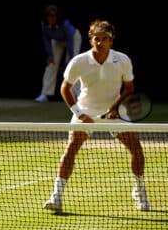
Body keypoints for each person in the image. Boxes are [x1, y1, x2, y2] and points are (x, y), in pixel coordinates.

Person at [43, 20, 149, 213]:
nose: (100, 43)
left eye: (104, 39)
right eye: (96, 39)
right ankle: (56, 196)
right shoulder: (79, 61)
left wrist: (115, 107)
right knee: (71, 148)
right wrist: (79, 113)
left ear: (111, 40)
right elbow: (65, 88)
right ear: (91, 40)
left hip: (115, 111)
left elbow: (130, 88)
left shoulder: (123, 60)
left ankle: (140, 192)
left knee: (137, 150)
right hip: (86, 110)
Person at [35, 4, 82, 102]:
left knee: (73, 66)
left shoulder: (65, 25)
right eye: (49, 15)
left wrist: (70, 59)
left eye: (53, 16)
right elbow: (46, 40)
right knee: (51, 65)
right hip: (57, 40)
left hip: (73, 38)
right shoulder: (44, 25)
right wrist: (50, 56)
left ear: (57, 17)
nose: (51, 18)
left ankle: (79, 96)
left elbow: (70, 41)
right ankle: (45, 94)